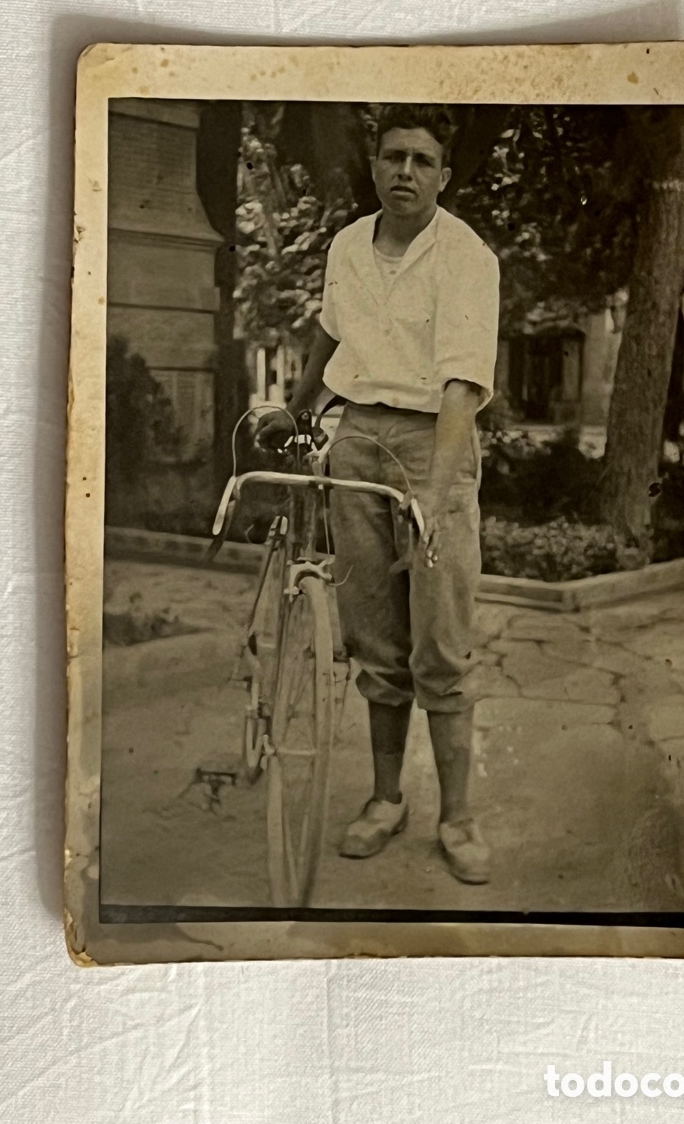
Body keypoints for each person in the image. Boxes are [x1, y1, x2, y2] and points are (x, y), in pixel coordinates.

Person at [256, 104, 499, 884]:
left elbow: (462, 385)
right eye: (394, 156)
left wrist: (434, 496)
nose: (405, 172)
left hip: (436, 444)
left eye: (423, 161)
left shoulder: (466, 257)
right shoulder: (346, 247)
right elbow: (330, 330)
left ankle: (457, 820)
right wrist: (296, 406)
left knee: (442, 642)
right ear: (374, 164)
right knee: (374, 639)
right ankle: (386, 799)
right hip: (356, 436)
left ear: (444, 176)